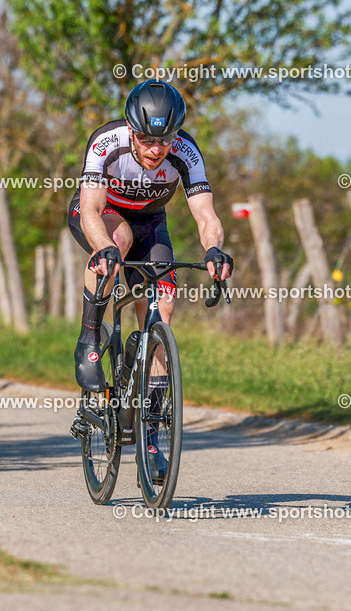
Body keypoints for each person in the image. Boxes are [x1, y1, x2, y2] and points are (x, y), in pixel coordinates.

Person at [67, 79, 234, 479]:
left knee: (162, 309)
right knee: (117, 239)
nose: (155, 149)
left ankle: (153, 436)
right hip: (101, 218)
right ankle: (89, 338)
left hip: (152, 223)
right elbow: (90, 207)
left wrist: (214, 249)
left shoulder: (186, 152)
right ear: (130, 129)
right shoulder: (107, 142)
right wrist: (103, 244)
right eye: (145, 139)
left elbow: (206, 216)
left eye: (164, 140)